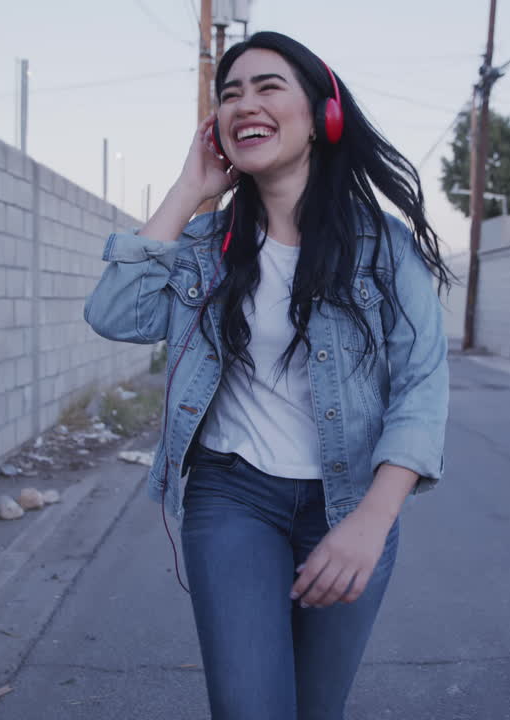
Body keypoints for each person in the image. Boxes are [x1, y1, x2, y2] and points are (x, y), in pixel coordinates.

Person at [84, 30, 451, 720]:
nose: (244, 103)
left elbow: (422, 387)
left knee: (316, 709)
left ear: (321, 117)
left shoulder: (384, 247)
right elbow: (113, 313)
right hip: (233, 496)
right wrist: (190, 189)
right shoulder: (204, 247)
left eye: (267, 87)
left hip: (349, 502)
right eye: (230, 94)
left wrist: (373, 519)